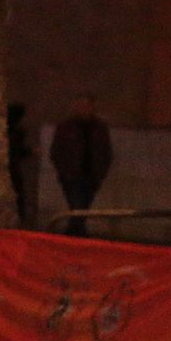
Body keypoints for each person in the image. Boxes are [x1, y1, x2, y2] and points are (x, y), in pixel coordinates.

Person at [49, 94, 113, 237]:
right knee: (77, 207)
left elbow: (106, 151)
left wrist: (101, 172)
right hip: (72, 175)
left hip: (91, 175)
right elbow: (56, 151)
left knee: (82, 208)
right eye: (80, 106)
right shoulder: (66, 127)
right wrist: (64, 171)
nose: (83, 109)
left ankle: (73, 235)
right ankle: (77, 235)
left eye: (86, 106)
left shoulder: (99, 128)